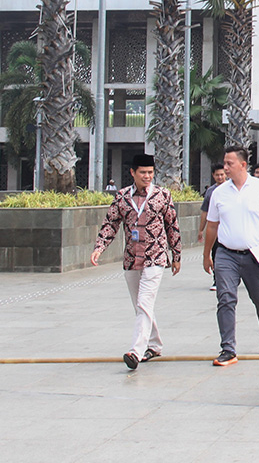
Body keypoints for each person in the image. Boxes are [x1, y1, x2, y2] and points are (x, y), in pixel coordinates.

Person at [90, 153, 182, 370]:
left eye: (150, 172)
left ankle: (136, 351)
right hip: (132, 258)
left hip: (155, 256)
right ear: (133, 173)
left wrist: (176, 255)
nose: (147, 176)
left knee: (144, 302)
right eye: (143, 173)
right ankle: (155, 344)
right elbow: (110, 223)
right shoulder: (122, 197)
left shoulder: (162, 195)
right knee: (140, 305)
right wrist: (99, 248)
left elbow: (172, 225)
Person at [203, 147, 259, 366]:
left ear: (242, 164)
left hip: (255, 256)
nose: (225, 168)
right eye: (224, 163)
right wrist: (206, 255)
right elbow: (212, 226)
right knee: (226, 299)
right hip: (226, 254)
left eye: (229, 163)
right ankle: (227, 348)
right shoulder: (218, 193)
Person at [197, 162, 227, 244]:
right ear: (213, 175)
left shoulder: (232, 188)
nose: (220, 177)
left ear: (226, 174)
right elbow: (205, 211)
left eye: (222, 174)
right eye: (217, 175)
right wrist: (201, 230)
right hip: (215, 232)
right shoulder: (210, 191)